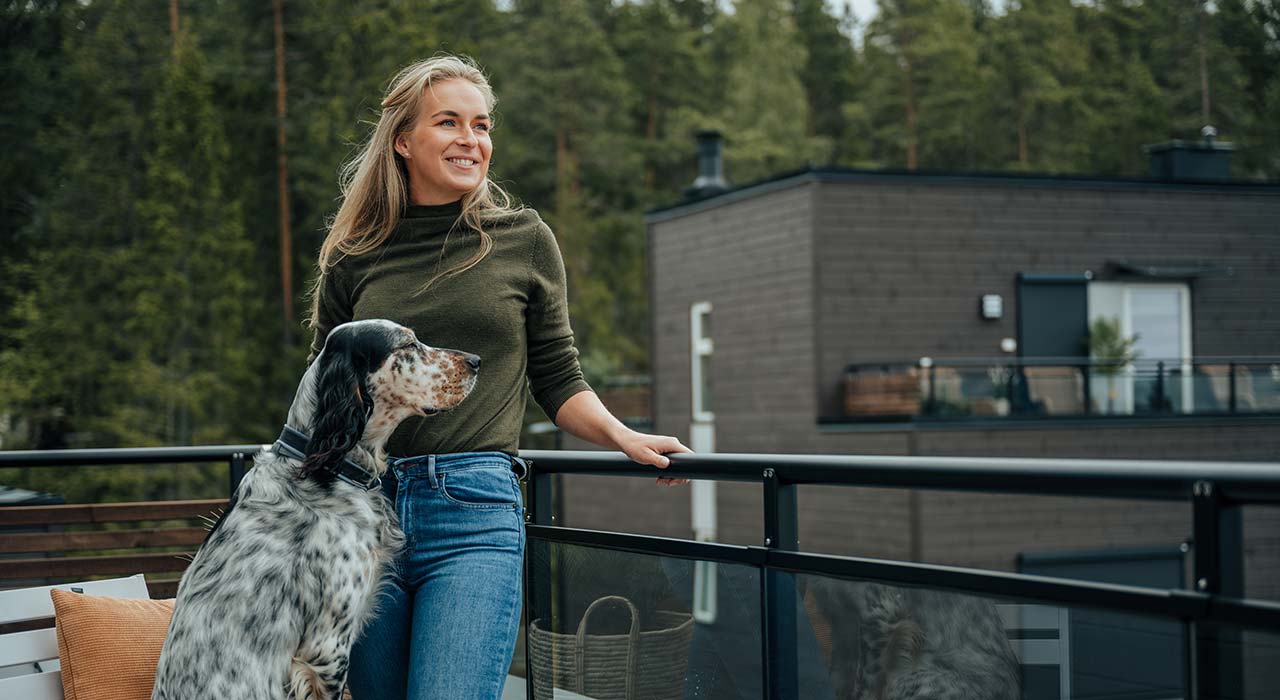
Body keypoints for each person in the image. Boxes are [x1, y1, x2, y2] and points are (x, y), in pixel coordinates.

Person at [306, 53, 691, 699]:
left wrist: (626, 437)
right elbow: (326, 393)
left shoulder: (524, 239)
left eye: (481, 125)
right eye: (449, 122)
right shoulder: (356, 256)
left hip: (473, 513)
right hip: (362, 516)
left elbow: (559, 376)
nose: (471, 140)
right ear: (403, 140)